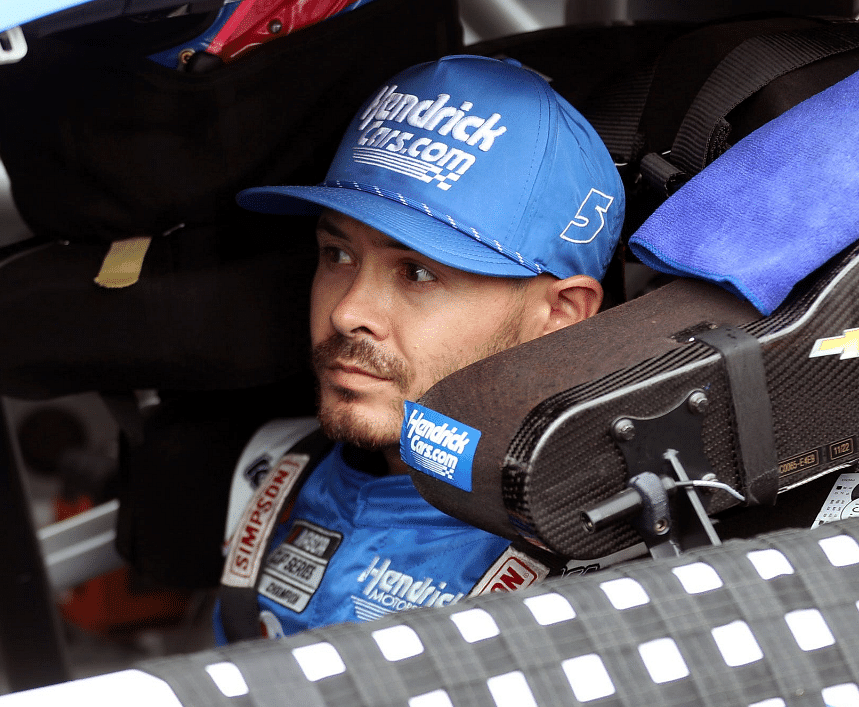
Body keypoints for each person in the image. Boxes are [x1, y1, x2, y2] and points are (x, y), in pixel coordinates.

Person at [214, 54, 624, 642]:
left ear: (559, 315)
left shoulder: (607, 554)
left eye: (417, 273)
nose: (347, 311)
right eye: (338, 255)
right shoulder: (272, 468)